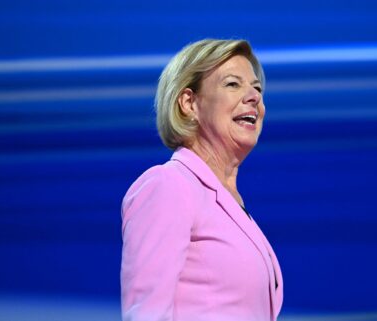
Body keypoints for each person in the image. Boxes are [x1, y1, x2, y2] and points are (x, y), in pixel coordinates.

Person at [120, 39, 283, 321]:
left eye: (257, 88)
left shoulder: (231, 206)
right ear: (189, 103)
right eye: (233, 84)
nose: (254, 96)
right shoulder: (169, 186)